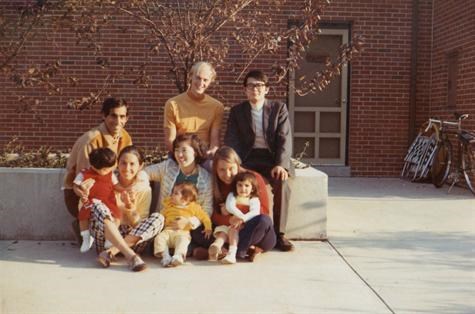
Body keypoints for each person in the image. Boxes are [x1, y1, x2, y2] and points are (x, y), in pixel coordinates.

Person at [224, 70, 294, 252]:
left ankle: (279, 234)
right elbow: (232, 140)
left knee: (283, 182)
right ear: (245, 90)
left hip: (272, 159)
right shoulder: (237, 111)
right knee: (237, 180)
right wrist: (237, 165)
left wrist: (281, 164)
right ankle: (242, 229)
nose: (255, 89)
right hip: (248, 159)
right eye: (250, 85)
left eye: (259, 85)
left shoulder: (279, 108)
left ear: (266, 89)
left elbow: (284, 138)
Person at [75, 145, 164, 272]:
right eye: (123, 163)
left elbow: (139, 225)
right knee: (96, 203)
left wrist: (130, 207)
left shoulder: (144, 189)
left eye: (132, 164)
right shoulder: (104, 178)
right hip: (105, 239)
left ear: (141, 166)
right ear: (117, 164)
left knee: (159, 218)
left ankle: (111, 252)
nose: (127, 168)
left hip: (133, 240)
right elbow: (86, 208)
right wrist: (84, 192)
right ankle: (130, 256)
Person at [63, 97, 132, 242]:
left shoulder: (125, 137)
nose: (118, 121)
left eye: (122, 116)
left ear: (127, 118)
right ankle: (84, 224)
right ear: (104, 115)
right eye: (113, 115)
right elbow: (85, 180)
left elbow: (128, 164)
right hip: (80, 193)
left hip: (107, 184)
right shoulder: (91, 140)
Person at [144, 133, 213, 257]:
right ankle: (190, 250)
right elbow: (144, 173)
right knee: (154, 242)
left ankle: (190, 249)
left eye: (184, 150)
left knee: (202, 234)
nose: (179, 155)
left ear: (195, 152)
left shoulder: (205, 178)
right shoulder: (168, 167)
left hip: (190, 227)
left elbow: (207, 210)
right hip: (166, 222)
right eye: (176, 150)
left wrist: (189, 222)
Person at [211, 146, 276, 262]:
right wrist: (229, 220)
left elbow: (264, 211)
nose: (227, 174)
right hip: (231, 231)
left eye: (231, 168)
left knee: (264, 221)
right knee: (205, 231)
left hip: (255, 231)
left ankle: (235, 250)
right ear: (215, 169)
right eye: (221, 169)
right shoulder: (216, 185)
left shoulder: (253, 178)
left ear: (238, 165)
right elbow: (213, 215)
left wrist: (241, 217)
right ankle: (247, 249)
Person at [163, 61, 224, 157]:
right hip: (179, 155)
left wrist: (210, 154)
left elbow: (214, 142)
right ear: (191, 76)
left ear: (210, 82)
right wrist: (183, 156)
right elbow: (170, 140)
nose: (201, 83)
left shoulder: (217, 107)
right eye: (198, 78)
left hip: (204, 155)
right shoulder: (172, 104)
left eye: (205, 80)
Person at [73, 147, 121, 253]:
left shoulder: (110, 174)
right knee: (83, 218)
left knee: (117, 217)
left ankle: (110, 238)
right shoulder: (84, 174)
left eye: (110, 168)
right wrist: (81, 193)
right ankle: (86, 237)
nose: (108, 171)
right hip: (91, 201)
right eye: (105, 169)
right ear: (94, 166)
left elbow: (117, 186)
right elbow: (75, 186)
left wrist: (125, 190)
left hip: (108, 201)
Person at [154, 182, 212, 267]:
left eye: (176, 193)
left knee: (183, 242)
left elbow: (204, 217)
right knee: (159, 239)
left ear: (185, 199)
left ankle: (178, 256)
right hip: (167, 231)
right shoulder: (169, 206)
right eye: (173, 192)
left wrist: (208, 227)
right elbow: (161, 216)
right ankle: (165, 257)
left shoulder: (193, 207)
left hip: (182, 232)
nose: (172, 195)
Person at [210, 171, 261, 264]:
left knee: (233, 230)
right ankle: (216, 246)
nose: (243, 188)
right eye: (240, 185)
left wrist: (242, 219)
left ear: (252, 188)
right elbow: (230, 206)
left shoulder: (253, 199)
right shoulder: (232, 195)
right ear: (235, 186)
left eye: (246, 186)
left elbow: (255, 212)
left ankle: (231, 254)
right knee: (223, 232)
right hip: (230, 224)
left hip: (244, 226)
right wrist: (239, 216)